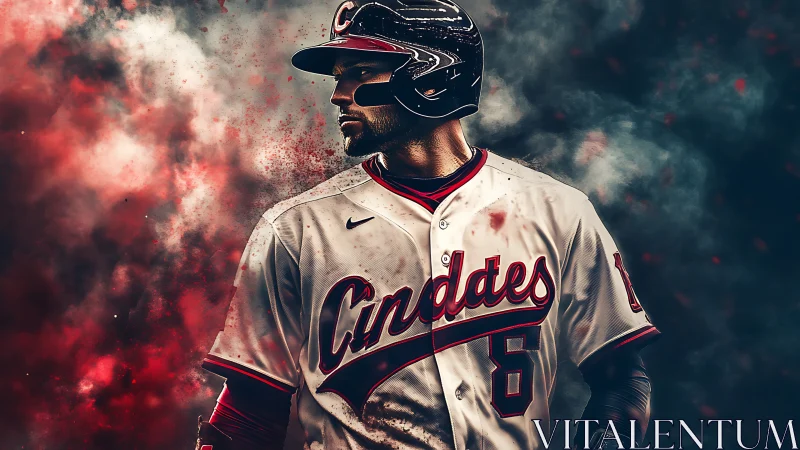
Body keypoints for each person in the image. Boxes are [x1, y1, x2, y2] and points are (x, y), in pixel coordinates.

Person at [195, 1, 660, 449]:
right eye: (339, 79)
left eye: (360, 74)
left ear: (433, 78)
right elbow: (250, 413)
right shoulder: (294, 231)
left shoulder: (558, 210)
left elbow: (622, 380)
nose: (338, 95)